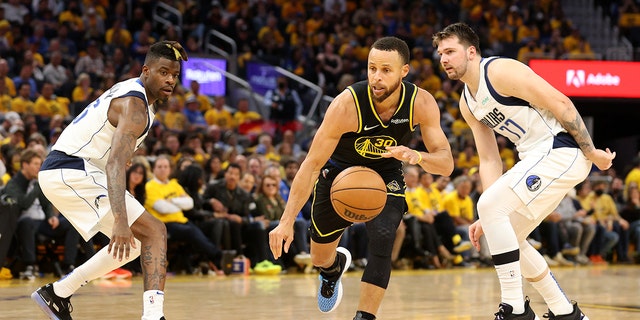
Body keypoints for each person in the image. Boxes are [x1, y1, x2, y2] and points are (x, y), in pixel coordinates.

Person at [433, 22, 615, 320]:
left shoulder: (500, 71)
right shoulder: (467, 102)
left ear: (471, 52)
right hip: (534, 158)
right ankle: (565, 311)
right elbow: (490, 160)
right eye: (440, 53)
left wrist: (591, 150)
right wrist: (487, 216)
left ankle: (514, 308)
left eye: (450, 51)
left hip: (561, 149)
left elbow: (561, 102)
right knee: (509, 236)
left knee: (492, 208)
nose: (443, 59)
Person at [269, 36, 453, 320]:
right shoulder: (346, 105)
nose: (376, 77)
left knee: (383, 237)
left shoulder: (421, 103)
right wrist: (286, 220)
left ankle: (364, 317)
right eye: (371, 68)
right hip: (339, 175)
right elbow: (311, 164)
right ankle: (333, 269)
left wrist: (416, 156)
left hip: (386, 174)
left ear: (404, 71)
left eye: (386, 70)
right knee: (319, 257)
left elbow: (445, 163)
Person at [33, 40, 188, 320]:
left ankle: (57, 293)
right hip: (70, 169)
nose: (170, 80)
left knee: (137, 243)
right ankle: (153, 316)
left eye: (174, 74)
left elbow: (114, 153)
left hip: (81, 168)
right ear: (146, 71)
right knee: (154, 232)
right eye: (163, 72)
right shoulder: (135, 105)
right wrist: (119, 219)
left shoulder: (136, 96)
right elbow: (116, 162)